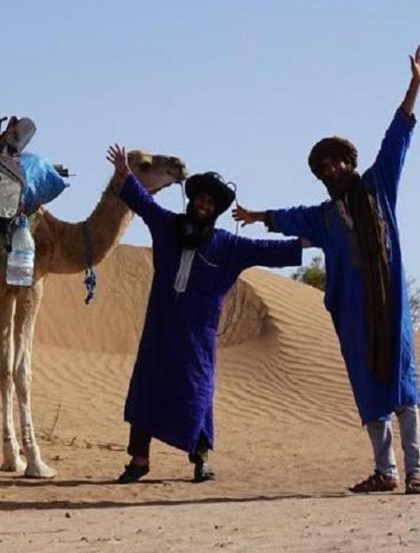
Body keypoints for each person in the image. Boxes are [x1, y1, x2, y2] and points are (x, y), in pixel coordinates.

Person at [233, 45, 420, 495]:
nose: (332, 169)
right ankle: (387, 472)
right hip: (353, 314)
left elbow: (396, 138)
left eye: (336, 162)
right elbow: (288, 217)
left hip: (390, 308)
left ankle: (416, 470)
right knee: (368, 388)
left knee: (404, 386)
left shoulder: (379, 187)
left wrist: (415, 84)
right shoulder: (323, 217)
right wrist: (257, 216)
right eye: (324, 167)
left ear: (349, 163)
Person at [108, 145, 306, 484]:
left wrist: (311, 241)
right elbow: (144, 204)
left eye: (210, 203)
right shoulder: (168, 225)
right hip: (160, 325)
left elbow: (268, 250)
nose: (203, 205)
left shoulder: (228, 245)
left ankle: (200, 460)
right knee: (146, 389)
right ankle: (138, 460)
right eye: (200, 199)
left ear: (215, 209)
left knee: (197, 391)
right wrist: (124, 174)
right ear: (192, 200)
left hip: (197, 335)